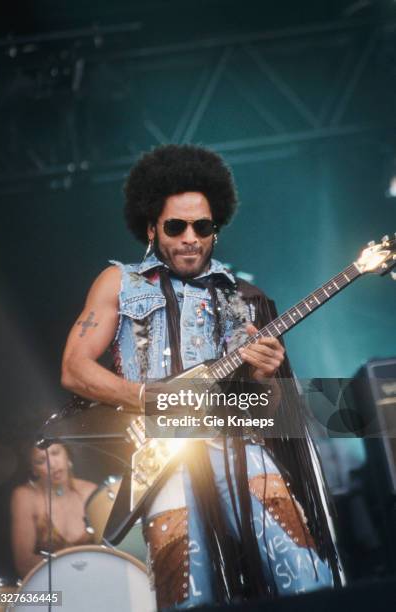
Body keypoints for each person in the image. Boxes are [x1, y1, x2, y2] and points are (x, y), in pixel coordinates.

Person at [61, 145, 340, 610]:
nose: (190, 237)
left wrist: (266, 378)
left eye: (203, 227)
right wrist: (153, 397)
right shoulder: (119, 283)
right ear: (152, 227)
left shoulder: (241, 296)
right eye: (176, 226)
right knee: (189, 597)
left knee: (306, 577)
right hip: (163, 460)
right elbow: (74, 368)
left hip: (241, 452)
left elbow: (267, 412)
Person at [10, 442, 97, 578]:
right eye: (41, 461)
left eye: (56, 453)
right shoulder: (25, 496)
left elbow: (113, 549)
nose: (53, 464)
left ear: (67, 454)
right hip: (51, 586)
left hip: (94, 579)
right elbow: (24, 564)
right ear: (33, 470)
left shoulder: (90, 491)